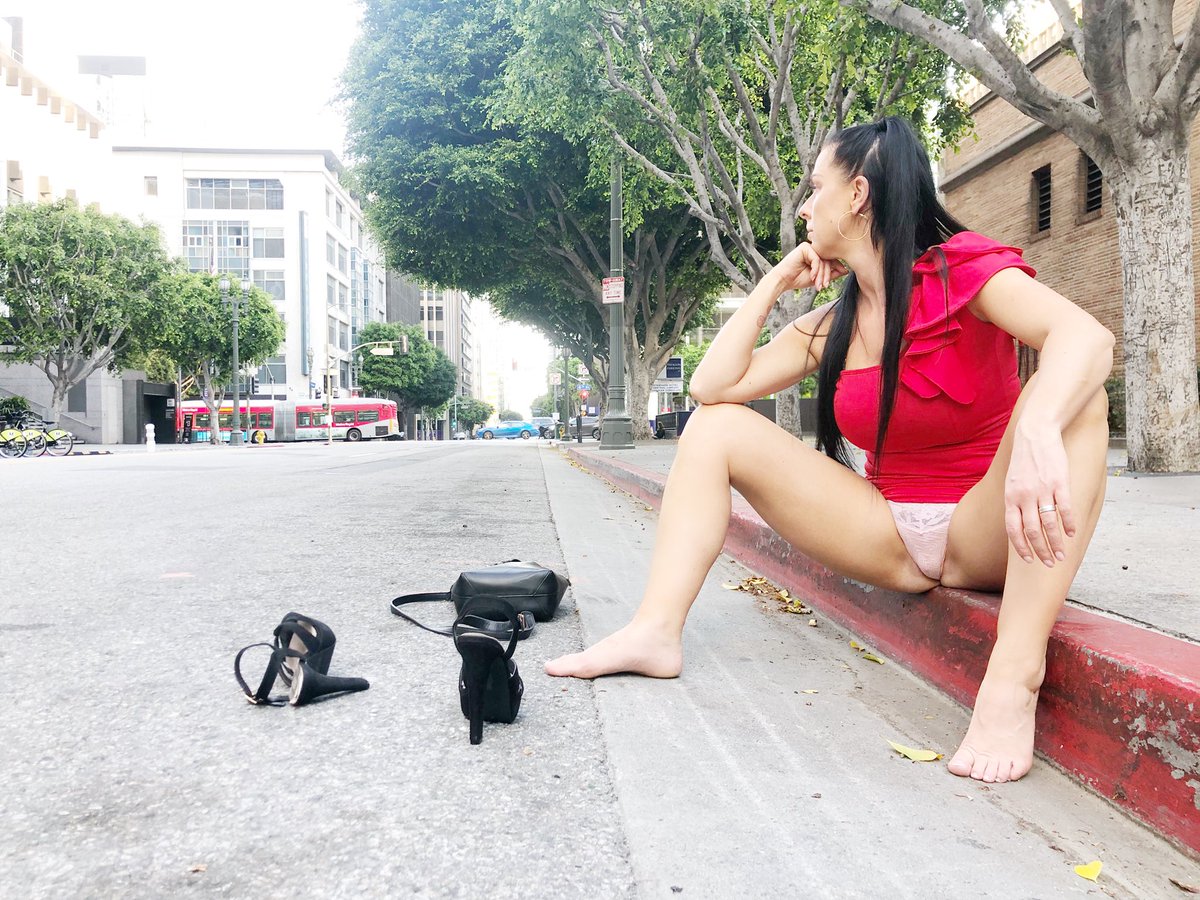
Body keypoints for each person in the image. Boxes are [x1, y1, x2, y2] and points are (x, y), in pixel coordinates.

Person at [545, 116, 1114, 785]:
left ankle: (1013, 682)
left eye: (816, 189)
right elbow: (712, 387)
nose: (805, 208)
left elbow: (1087, 337)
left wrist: (1038, 430)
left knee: (1082, 402)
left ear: (859, 194)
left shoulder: (964, 272)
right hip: (886, 535)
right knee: (715, 428)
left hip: (985, 529)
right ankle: (655, 630)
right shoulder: (834, 321)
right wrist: (773, 284)